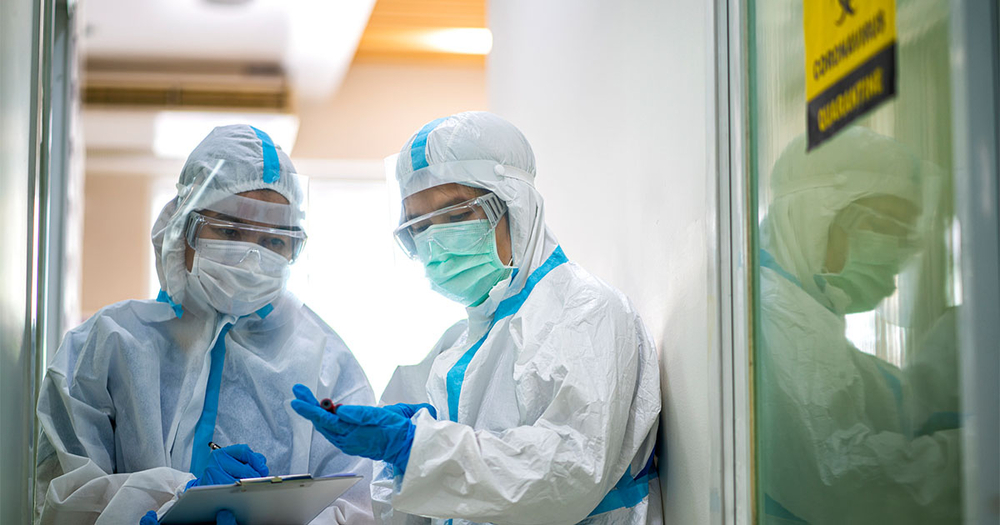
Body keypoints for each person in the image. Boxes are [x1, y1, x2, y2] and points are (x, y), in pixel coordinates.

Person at [291, 111, 662, 525]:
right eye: (419, 225)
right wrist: (398, 457)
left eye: (454, 215)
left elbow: (567, 472)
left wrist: (416, 447)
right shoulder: (459, 347)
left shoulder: (586, 312)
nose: (436, 240)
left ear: (515, 205)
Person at [34, 125, 376, 525]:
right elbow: (62, 499)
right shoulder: (107, 344)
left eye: (273, 241)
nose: (251, 257)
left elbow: (359, 506)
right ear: (183, 227)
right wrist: (172, 503)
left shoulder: (327, 364)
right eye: (230, 232)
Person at [756, 127, 961, 524]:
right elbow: (847, 479)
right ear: (819, 214)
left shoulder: (803, 313)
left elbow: (888, 400)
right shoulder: (783, 316)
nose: (899, 251)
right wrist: (975, 456)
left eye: (907, 236)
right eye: (887, 228)